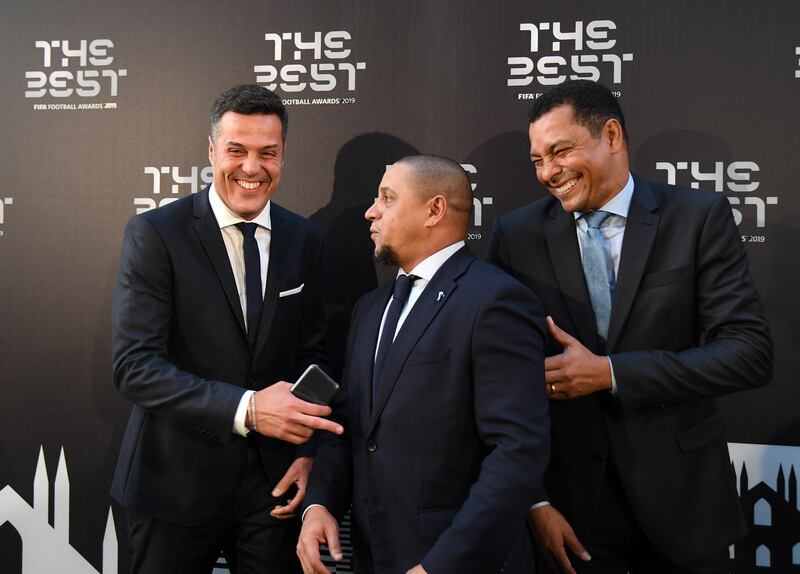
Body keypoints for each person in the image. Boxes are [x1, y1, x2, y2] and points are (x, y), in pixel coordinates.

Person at [486, 80, 773, 573]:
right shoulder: (518, 235)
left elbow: (748, 353)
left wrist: (612, 373)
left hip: (682, 503)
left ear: (612, 135)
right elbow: (496, 377)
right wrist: (534, 501)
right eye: (537, 160)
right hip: (571, 511)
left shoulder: (697, 218)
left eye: (560, 151)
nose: (549, 172)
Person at [111, 84, 343, 574]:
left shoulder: (305, 238)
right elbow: (135, 367)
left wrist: (306, 450)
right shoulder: (156, 234)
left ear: (283, 155)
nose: (252, 168)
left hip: (273, 487)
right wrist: (249, 408)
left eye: (267, 153)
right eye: (236, 150)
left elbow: (314, 353)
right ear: (212, 150)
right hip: (173, 482)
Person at [296, 155, 551, 574]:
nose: (370, 211)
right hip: (373, 555)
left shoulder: (495, 301)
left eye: (387, 198)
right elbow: (351, 422)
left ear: (434, 210)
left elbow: (517, 451)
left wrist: (443, 565)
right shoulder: (369, 309)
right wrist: (320, 503)